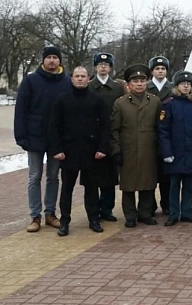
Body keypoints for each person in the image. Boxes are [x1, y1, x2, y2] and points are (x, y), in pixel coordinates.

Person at [48, 66, 111, 236]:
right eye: (77, 76)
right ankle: (65, 222)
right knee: (67, 188)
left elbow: (106, 126)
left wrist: (102, 148)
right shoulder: (62, 99)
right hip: (68, 151)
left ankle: (94, 219)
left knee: (91, 189)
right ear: (72, 78)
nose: (80, 79)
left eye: (83, 76)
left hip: (91, 152)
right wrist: (57, 149)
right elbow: (53, 126)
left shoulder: (96, 99)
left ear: (88, 79)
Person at [15, 45, 70, 232]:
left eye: (55, 57)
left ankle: (50, 213)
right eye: (49, 57)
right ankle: (35, 216)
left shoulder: (66, 82)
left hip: (57, 140)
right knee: (35, 176)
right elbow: (21, 110)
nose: (52, 61)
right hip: (34, 137)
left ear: (60, 61)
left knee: (54, 177)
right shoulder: (31, 81)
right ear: (43, 60)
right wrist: (21, 135)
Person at [110, 64, 162, 227]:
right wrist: (116, 150)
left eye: (142, 81)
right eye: (135, 81)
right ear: (129, 84)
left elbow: (159, 127)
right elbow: (114, 129)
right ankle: (130, 216)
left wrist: (160, 148)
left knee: (148, 183)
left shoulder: (154, 101)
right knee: (129, 185)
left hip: (148, 148)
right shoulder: (121, 103)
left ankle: (145, 213)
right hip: (129, 149)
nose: (139, 84)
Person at [159, 71, 192, 226]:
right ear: (177, 86)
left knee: (189, 185)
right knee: (174, 185)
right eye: (182, 84)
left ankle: (187, 212)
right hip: (175, 153)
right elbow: (163, 130)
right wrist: (167, 152)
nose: (186, 86)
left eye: (188, 84)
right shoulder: (168, 105)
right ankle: (174, 213)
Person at [88, 52, 125, 222]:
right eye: (100, 65)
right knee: (93, 177)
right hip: (91, 138)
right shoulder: (88, 86)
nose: (103, 67)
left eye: (106, 65)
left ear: (110, 68)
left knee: (110, 177)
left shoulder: (118, 88)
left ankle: (107, 209)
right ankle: (93, 209)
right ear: (95, 67)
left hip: (111, 136)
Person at [146, 55, 172, 214]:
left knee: (166, 174)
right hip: (149, 133)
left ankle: (167, 204)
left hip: (167, 135)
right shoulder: (146, 87)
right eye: (157, 69)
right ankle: (150, 205)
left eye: (163, 69)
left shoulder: (172, 87)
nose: (160, 71)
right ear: (152, 71)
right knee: (149, 173)